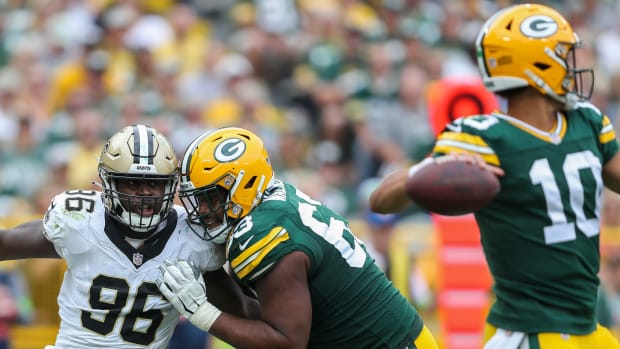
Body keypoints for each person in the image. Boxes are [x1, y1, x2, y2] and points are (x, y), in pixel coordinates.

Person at [369, 3, 620, 349]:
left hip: (587, 327)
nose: (572, 66)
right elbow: (380, 201)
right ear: (538, 66)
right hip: (529, 331)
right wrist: (432, 169)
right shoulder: (484, 136)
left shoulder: (587, 122)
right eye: (563, 56)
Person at [156, 126, 438, 348]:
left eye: (211, 197)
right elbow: (258, 312)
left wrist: (201, 313)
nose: (202, 210)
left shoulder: (263, 232)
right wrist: (209, 274)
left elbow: (286, 343)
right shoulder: (274, 203)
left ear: (244, 186)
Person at [0, 124, 255, 348]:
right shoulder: (79, 220)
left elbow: (246, 314)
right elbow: (7, 243)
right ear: (109, 183)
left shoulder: (192, 236)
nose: (145, 193)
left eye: (154, 183)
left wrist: (202, 311)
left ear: (170, 185)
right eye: (132, 182)